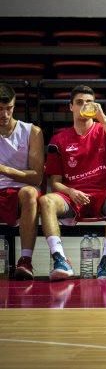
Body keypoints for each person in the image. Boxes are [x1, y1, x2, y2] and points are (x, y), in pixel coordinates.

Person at [38, 85, 106, 280]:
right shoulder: (58, 139)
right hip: (73, 196)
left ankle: (105, 261)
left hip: (103, 194)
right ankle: (60, 259)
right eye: (79, 102)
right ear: (70, 106)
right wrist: (70, 192)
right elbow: (55, 183)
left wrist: (103, 119)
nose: (84, 106)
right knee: (46, 201)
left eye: (89, 102)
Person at [0, 83, 44, 280]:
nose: (5, 114)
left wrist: (3, 169)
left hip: (20, 193)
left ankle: (25, 260)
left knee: (29, 192)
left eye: (8, 108)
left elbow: (37, 176)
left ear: (14, 105)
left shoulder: (32, 132)